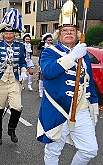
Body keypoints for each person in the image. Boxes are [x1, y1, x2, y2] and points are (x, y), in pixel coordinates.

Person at [36, 1, 99, 164]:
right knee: (53, 151)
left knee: (90, 150)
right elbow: (48, 72)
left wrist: (94, 106)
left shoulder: (83, 54)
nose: (69, 33)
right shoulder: (49, 51)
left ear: (77, 34)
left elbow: (89, 83)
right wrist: (71, 57)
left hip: (81, 109)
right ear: (59, 33)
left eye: (72, 30)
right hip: (57, 108)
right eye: (65, 30)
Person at [0, 8, 27, 145]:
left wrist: (23, 71)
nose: (9, 36)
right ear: (3, 34)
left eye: (11, 33)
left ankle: (12, 129)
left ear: (15, 34)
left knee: (17, 106)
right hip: (0, 81)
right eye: (6, 33)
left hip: (14, 81)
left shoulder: (20, 47)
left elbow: (22, 62)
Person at [38, 33, 53, 98]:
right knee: (41, 77)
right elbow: (40, 57)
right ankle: (40, 91)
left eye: (50, 40)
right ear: (45, 41)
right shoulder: (43, 48)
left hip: (50, 64)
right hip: (43, 64)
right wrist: (39, 64)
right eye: (48, 40)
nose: (50, 42)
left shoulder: (53, 47)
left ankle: (46, 91)